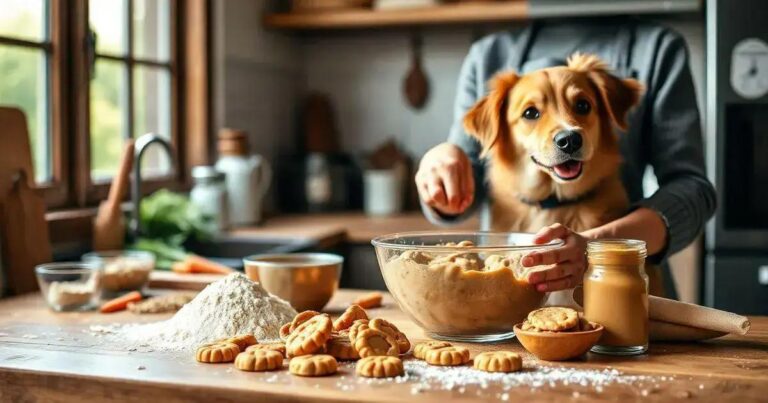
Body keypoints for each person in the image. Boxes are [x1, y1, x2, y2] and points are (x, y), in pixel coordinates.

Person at [415, 18, 716, 298]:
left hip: (626, 290)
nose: (567, 131)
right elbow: (466, 174)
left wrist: (600, 247)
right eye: (531, 113)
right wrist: (441, 165)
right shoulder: (487, 55)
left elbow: (693, 189)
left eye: (582, 106)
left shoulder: (657, 48)